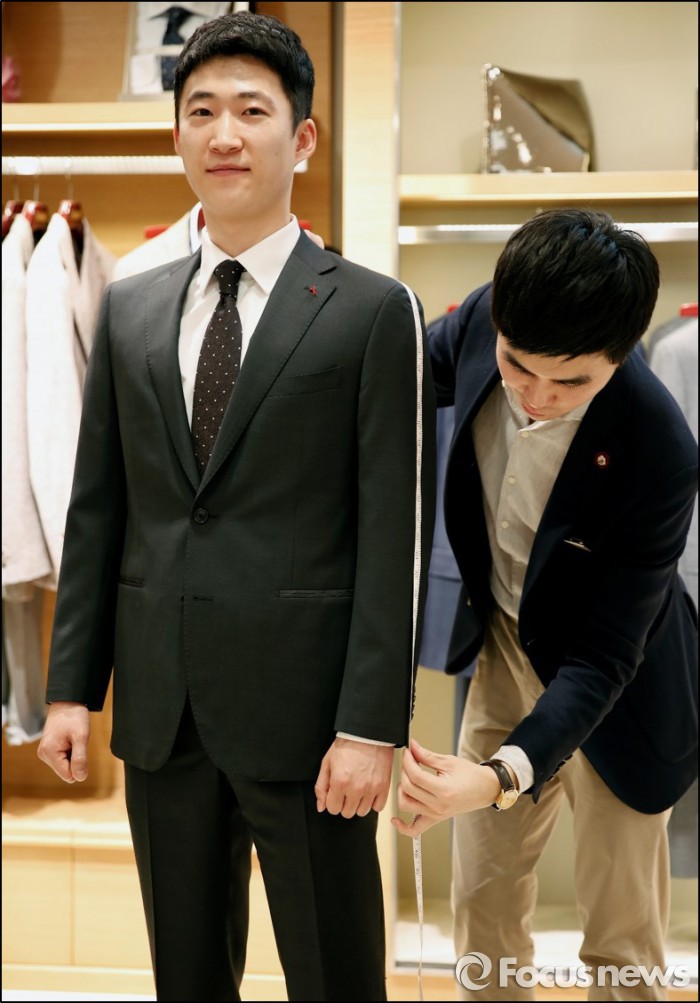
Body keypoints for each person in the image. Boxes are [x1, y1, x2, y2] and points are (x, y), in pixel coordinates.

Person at [37, 11, 436, 1002]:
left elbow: (392, 531)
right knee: (185, 974)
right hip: (164, 711)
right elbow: (99, 509)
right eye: (202, 110)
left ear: (302, 138)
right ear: (177, 133)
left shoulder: (370, 309)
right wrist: (71, 687)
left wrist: (370, 725)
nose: (224, 134)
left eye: (252, 111)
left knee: (335, 974)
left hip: (311, 724)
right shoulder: (131, 305)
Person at [392, 208, 698, 1001]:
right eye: (519, 368)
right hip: (505, 643)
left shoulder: (660, 448)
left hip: (622, 689)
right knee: (483, 910)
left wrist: (497, 775)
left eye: (572, 383)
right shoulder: (483, 320)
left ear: (621, 354)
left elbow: (605, 655)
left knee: (622, 944)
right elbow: (400, 374)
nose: (536, 396)